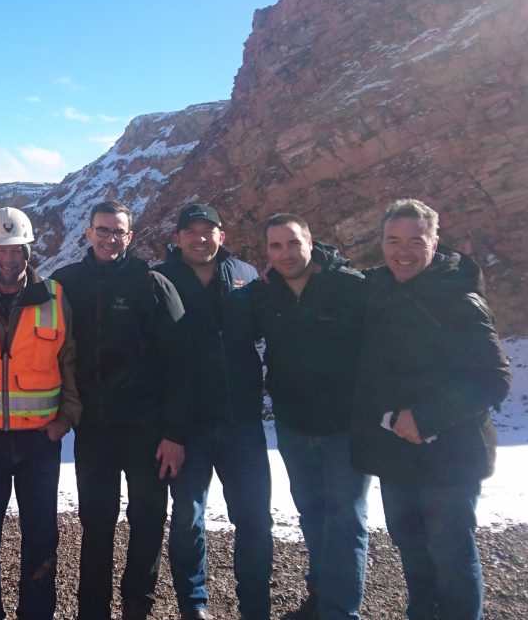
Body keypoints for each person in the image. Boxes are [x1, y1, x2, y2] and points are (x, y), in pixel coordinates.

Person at [351, 198, 510, 620]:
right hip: (396, 453)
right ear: (381, 243)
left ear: (435, 241)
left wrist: (426, 417)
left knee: (450, 555)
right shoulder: (378, 288)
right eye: (392, 240)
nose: (402, 250)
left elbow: (494, 377)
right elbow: (334, 282)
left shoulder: (458, 296)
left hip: (451, 454)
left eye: (415, 240)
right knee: (411, 548)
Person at [51, 200, 192, 620]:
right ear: (88, 233)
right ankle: (92, 610)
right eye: (103, 230)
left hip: (146, 429)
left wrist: (175, 433)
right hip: (93, 428)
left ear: (130, 237)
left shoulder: (151, 284)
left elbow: (181, 363)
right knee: (96, 524)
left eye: (119, 232)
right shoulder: (67, 282)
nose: (111, 238)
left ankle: (137, 606)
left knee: (148, 519)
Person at [0, 206, 81, 620]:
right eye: (1, 251)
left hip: (39, 442)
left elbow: (71, 362)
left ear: (29, 252)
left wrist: (65, 420)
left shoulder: (55, 297)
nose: (9, 261)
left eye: (17, 252)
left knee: (42, 540)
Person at [246, 213, 369, 620]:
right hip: (294, 426)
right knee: (312, 514)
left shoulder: (349, 287)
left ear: (310, 241)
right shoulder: (268, 295)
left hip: (344, 428)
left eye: (293, 243)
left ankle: (341, 612)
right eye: (276, 246)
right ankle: (321, 598)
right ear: (267, 252)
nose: (286, 253)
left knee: (346, 519)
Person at [153, 204, 272, 620]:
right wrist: (169, 429)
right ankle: (194, 605)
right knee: (187, 517)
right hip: (187, 425)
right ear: (178, 236)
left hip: (242, 422)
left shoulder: (247, 276)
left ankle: (256, 607)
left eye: (208, 230)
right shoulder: (159, 278)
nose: (200, 238)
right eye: (191, 230)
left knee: (255, 519)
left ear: (222, 235)